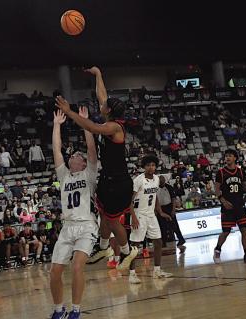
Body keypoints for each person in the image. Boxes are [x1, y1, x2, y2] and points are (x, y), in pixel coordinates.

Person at [56, 66, 138, 271]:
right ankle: (103, 248)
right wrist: (99, 74)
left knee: (112, 222)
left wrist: (69, 112)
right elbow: (103, 96)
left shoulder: (114, 127)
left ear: (108, 111)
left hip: (118, 182)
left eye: (105, 105)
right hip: (108, 179)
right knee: (103, 214)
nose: (101, 104)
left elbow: (92, 127)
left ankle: (128, 251)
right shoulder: (109, 116)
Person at [49, 108, 99, 319]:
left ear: (84, 163)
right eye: (73, 155)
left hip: (86, 225)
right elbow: (57, 150)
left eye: (77, 156)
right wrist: (57, 125)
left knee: (77, 266)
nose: (74, 156)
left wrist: (86, 124)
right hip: (67, 227)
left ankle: (76, 310)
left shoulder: (89, 173)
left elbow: (91, 149)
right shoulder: (64, 176)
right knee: (54, 272)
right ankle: (59, 309)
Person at [213, 149, 246, 264]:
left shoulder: (241, 172)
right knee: (226, 232)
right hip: (227, 206)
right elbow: (216, 189)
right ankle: (217, 249)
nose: (227, 158)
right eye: (226, 156)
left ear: (235, 158)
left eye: (230, 156)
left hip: (240, 205)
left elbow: (245, 188)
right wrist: (223, 201)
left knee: (244, 230)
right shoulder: (221, 172)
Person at [128, 155, 173, 284]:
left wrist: (160, 211)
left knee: (158, 242)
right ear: (144, 167)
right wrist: (134, 217)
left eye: (153, 165)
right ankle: (132, 274)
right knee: (135, 246)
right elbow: (129, 201)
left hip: (151, 215)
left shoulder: (157, 179)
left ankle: (157, 271)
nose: (151, 167)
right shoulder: (138, 180)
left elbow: (155, 197)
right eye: (148, 165)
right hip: (139, 215)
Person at [157, 175, 186, 248]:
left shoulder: (169, 187)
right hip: (160, 208)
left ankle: (181, 239)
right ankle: (163, 242)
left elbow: (173, 199)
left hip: (169, 207)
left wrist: (173, 210)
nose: (161, 182)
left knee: (174, 225)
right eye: (160, 181)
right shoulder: (156, 188)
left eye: (162, 180)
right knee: (162, 226)